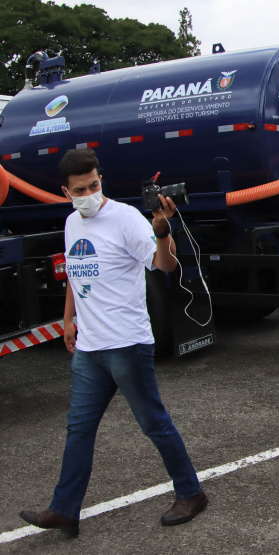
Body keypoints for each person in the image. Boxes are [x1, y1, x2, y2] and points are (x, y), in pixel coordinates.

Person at [19, 149, 207, 536]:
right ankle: (65, 511)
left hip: (126, 343)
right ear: (65, 191)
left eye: (93, 185)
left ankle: (191, 492)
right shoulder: (72, 222)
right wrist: (69, 318)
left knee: (153, 422)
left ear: (100, 180)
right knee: (79, 429)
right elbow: (75, 272)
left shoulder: (125, 219)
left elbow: (165, 265)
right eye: (79, 189)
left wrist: (161, 228)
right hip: (89, 349)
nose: (88, 193)